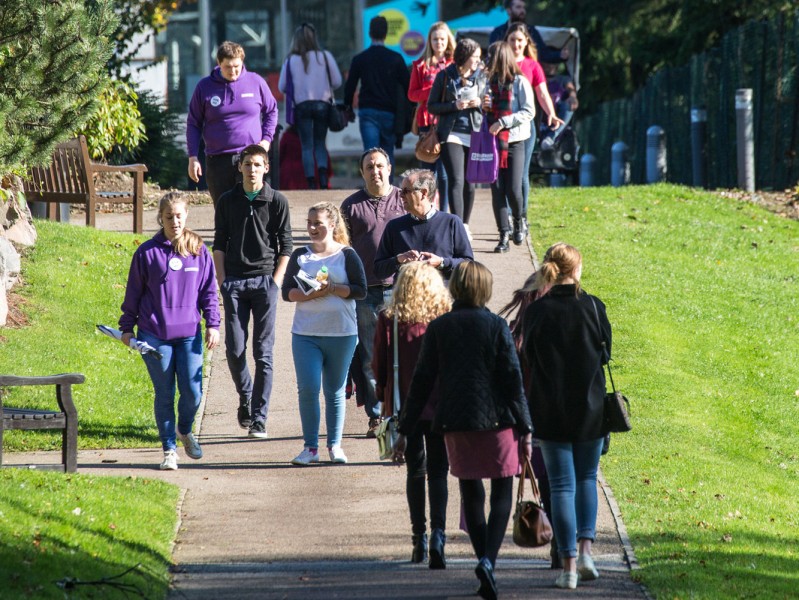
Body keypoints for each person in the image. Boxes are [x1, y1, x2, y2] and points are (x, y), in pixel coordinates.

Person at [394, 261, 533, 600]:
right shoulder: (497, 326)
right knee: (501, 493)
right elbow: (513, 383)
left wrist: (405, 429)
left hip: (455, 421)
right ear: (484, 289)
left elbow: (421, 381)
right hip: (498, 420)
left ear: (455, 287)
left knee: (471, 494)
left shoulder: (440, 328)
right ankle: (489, 560)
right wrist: (526, 427)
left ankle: (483, 557)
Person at [522, 243, 611, 590]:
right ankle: (587, 551)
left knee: (560, 486)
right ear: (576, 269)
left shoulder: (537, 311)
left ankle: (568, 564)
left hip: (549, 406)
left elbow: (529, 356)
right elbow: (606, 353)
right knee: (587, 478)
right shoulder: (594, 306)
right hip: (590, 406)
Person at [119, 193, 220, 471]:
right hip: (154, 335)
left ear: (186, 216)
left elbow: (209, 291)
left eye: (178, 216)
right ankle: (169, 450)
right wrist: (126, 328)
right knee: (164, 394)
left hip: (189, 334)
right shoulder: (147, 253)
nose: (174, 221)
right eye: (168, 217)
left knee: (193, 392)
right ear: (160, 218)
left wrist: (213, 323)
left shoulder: (198, 250)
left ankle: (184, 429)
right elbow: (134, 293)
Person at [372, 262, 452, 568]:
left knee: (415, 471)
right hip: (442, 404)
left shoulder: (390, 319)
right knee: (439, 473)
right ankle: (439, 536)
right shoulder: (443, 318)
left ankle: (418, 539)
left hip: (406, 405)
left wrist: (382, 396)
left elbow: (379, 363)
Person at [212, 144, 293, 439]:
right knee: (234, 350)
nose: (252, 169)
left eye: (258, 164)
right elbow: (219, 242)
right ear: (240, 167)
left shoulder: (276, 201)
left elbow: (286, 245)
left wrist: (276, 281)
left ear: (266, 168)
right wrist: (222, 280)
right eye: (248, 164)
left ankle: (259, 418)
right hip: (234, 282)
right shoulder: (227, 200)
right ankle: (245, 395)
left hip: (264, 283)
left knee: (264, 353)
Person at [282, 202, 367, 465]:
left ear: (332, 225)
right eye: (309, 223)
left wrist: (333, 288)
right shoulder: (300, 256)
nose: (312, 228)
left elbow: (361, 290)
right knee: (307, 389)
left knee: (334, 390)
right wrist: (310, 294)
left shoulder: (347, 255)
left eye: (318, 223)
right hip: (306, 333)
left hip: (342, 334)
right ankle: (310, 448)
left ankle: (335, 446)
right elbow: (287, 293)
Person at [340, 148, 407, 438]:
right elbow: (342, 248)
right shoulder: (351, 206)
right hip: (365, 292)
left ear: (389, 168)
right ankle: (377, 417)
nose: (375, 171)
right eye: (369, 167)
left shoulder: (404, 199)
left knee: (402, 354)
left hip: (400, 289)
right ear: (362, 172)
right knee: (369, 356)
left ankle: (402, 414)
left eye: (380, 165)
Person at [187, 41, 279, 207]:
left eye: (237, 66)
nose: (233, 71)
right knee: (224, 210)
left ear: (242, 62)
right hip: (217, 159)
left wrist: (266, 139)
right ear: (219, 64)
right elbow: (193, 123)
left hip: (249, 157)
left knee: (251, 208)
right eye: (227, 67)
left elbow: (272, 111)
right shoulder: (205, 87)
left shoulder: (256, 82)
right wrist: (193, 156)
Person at [426, 38, 486, 232]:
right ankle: (457, 226)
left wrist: (481, 103)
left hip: (474, 133)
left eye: (478, 57)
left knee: (470, 181)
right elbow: (431, 105)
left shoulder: (481, 76)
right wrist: (454, 106)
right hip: (451, 134)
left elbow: (489, 102)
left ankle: (465, 224)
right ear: (464, 56)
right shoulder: (445, 76)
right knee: (456, 179)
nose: (477, 60)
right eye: (474, 57)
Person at [505, 22, 564, 215]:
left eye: (519, 40)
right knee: (503, 174)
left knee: (521, 173)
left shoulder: (532, 65)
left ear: (526, 42)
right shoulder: (499, 63)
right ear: (506, 41)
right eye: (512, 40)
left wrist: (551, 114)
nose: (516, 44)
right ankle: (505, 218)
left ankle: (521, 216)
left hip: (524, 126)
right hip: (500, 125)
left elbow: (543, 93)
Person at [373, 169, 473, 282]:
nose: (400, 195)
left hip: (442, 297)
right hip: (406, 297)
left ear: (424, 193)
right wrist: (398, 260)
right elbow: (378, 270)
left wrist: (442, 262)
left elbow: (469, 265)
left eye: (406, 191)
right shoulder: (394, 226)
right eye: (401, 190)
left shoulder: (452, 223)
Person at [482, 42, 535, 254]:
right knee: (497, 190)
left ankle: (519, 219)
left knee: (513, 188)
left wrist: (504, 122)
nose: (488, 62)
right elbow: (482, 112)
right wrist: (484, 107)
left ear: (500, 58)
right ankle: (503, 234)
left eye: (491, 58)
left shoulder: (520, 82)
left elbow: (528, 112)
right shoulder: (487, 83)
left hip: (515, 140)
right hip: (492, 142)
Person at [278, 23, 342, 190]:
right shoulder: (325, 56)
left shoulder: (291, 60)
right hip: (323, 105)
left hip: (302, 107)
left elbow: (282, 86)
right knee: (320, 142)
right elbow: (337, 81)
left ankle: (311, 181)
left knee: (307, 145)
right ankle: (322, 175)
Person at [344, 16, 410, 173]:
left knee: (371, 153)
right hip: (389, 112)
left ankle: (372, 191)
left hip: (368, 112)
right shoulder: (396, 59)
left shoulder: (360, 59)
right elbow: (408, 86)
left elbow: (350, 86)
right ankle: (388, 190)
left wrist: (348, 108)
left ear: (369, 33)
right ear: (386, 34)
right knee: (387, 154)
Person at [408, 21, 456, 213]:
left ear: (448, 40)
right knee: (428, 173)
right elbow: (411, 94)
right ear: (430, 41)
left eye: (442, 39)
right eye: (435, 39)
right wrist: (432, 91)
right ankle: (426, 211)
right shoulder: (420, 65)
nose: (439, 42)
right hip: (427, 123)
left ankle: (443, 213)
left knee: (444, 174)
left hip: (448, 122)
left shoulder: (454, 64)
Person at [488, 0, 569, 64]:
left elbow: (543, 53)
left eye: (523, 7)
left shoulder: (531, 31)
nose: (522, 11)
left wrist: (560, 55)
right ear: (509, 10)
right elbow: (493, 55)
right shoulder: (498, 33)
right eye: (518, 7)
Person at [539, 61, 579, 149]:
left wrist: (572, 97)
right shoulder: (539, 77)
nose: (548, 66)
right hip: (540, 113)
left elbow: (571, 89)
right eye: (546, 62)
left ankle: (550, 137)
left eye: (551, 63)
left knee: (568, 106)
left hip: (557, 113)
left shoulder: (563, 79)